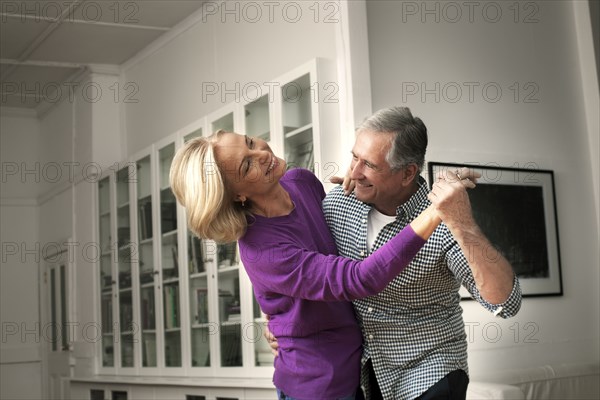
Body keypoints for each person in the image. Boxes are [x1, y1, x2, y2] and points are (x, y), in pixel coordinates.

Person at [169, 130, 477, 400]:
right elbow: (360, 278)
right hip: (318, 385)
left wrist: (363, 186)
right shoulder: (261, 249)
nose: (261, 153)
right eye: (247, 164)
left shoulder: (302, 182)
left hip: (362, 367)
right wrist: (436, 212)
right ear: (235, 194)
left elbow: (330, 244)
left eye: (250, 142)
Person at [322, 106, 523, 399]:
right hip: (368, 373)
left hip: (431, 372)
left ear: (407, 174)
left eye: (370, 165)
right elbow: (306, 269)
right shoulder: (339, 205)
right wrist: (282, 325)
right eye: (354, 157)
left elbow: (508, 303)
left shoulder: (444, 223)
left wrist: (463, 224)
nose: (354, 172)